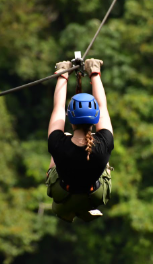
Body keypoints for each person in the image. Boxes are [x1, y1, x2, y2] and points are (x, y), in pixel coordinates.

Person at [46, 58, 114, 223]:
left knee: (65, 140)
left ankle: (71, 207)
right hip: (95, 194)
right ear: (95, 118)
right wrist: (94, 72)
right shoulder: (104, 143)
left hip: (62, 191)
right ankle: (84, 206)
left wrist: (63, 73)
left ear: (70, 117)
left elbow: (58, 109)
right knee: (104, 161)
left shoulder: (58, 144)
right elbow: (103, 107)